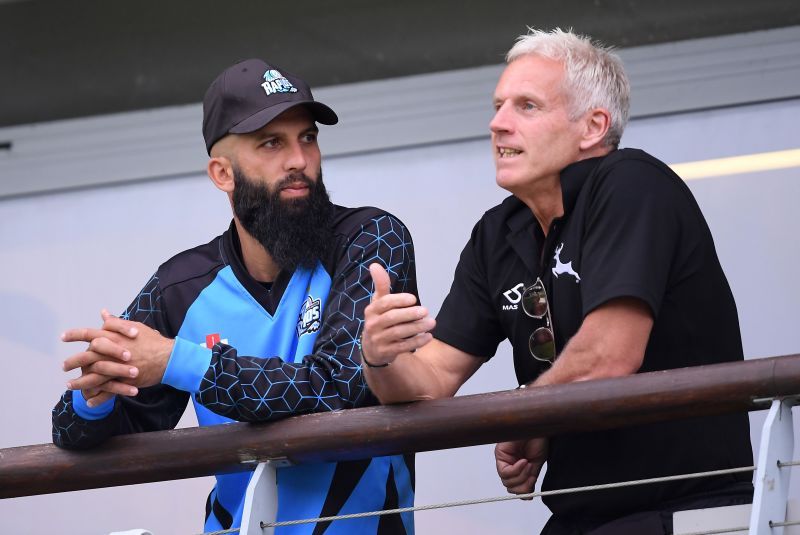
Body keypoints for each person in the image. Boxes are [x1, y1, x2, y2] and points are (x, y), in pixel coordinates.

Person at [361, 29, 753, 534]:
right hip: (580, 517)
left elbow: (608, 356)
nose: (497, 123)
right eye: (498, 105)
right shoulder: (497, 233)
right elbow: (430, 382)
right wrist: (379, 356)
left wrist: (530, 417)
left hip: (693, 511)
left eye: (526, 106)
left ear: (593, 126)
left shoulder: (632, 181)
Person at [52, 58, 417, 535]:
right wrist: (95, 398)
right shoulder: (180, 285)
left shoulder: (370, 239)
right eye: (272, 143)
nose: (299, 161)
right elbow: (76, 433)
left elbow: (334, 391)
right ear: (222, 173)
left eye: (308, 137)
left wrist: (178, 361)